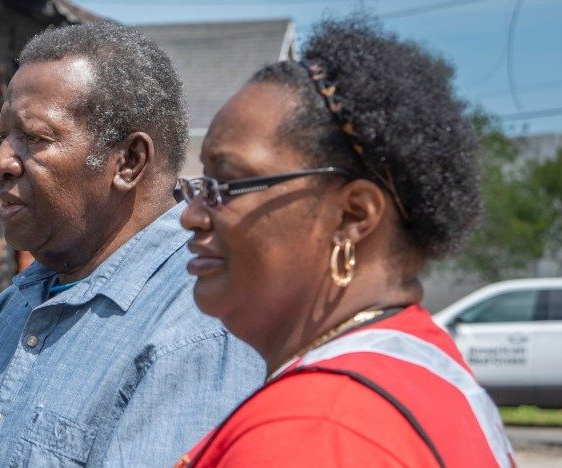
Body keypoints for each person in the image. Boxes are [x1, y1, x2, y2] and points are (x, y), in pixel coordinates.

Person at [175, 17, 515, 467]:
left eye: (229, 183)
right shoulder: (418, 368)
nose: (192, 215)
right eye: (200, 184)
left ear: (354, 215)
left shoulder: (314, 431)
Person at [0, 23, 263, 467]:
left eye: (35, 138)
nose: (0, 162)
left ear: (128, 162)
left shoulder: (201, 322)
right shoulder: (9, 313)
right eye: (3, 136)